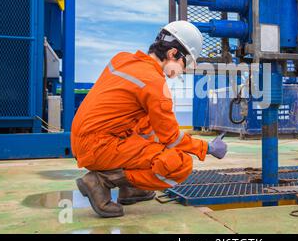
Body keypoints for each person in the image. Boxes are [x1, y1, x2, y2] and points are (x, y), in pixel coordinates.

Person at [71, 21, 227, 218]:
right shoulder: (154, 84)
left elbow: (147, 127)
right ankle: (101, 181)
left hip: (83, 140)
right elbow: (171, 138)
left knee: (151, 140)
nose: (183, 71)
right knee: (179, 164)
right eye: (184, 64)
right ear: (172, 54)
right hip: (99, 146)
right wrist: (208, 148)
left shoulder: (122, 60)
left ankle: (131, 189)